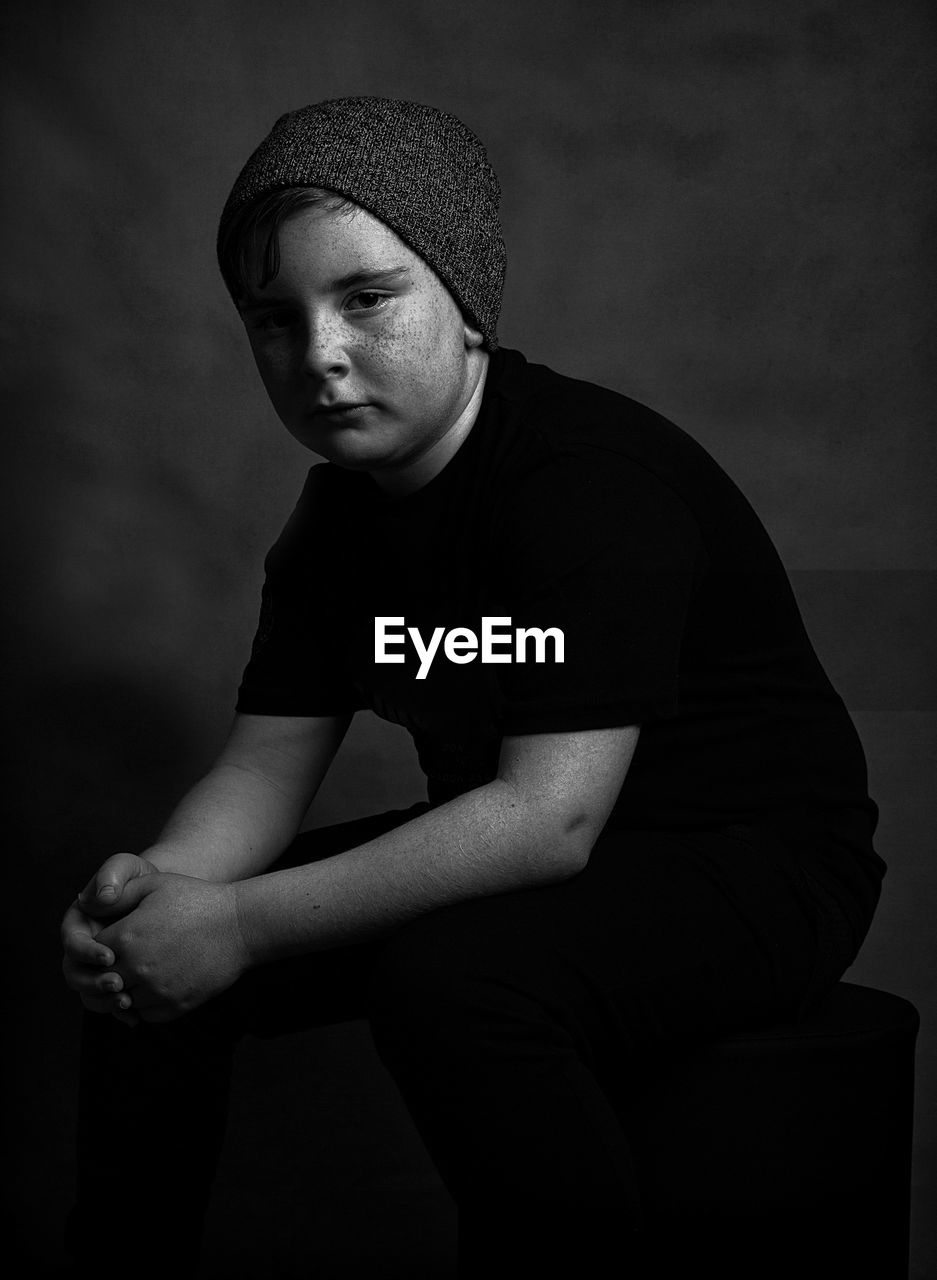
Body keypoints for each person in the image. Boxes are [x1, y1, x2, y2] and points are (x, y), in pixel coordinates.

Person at [60, 97, 885, 1278]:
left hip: (749, 859)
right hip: (526, 839)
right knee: (155, 969)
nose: (320, 354)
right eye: (273, 320)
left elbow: (550, 816)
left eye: (367, 297)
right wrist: (157, 899)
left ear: (465, 294)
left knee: (454, 982)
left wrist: (237, 922)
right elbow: (259, 767)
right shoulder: (334, 524)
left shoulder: (587, 482)